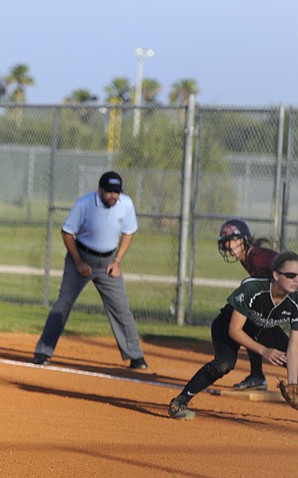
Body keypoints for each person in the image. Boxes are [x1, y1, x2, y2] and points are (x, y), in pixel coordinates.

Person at [32, 171, 148, 370]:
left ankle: (135, 356)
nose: (113, 196)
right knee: (63, 304)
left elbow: (129, 232)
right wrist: (78, 262)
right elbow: (67, 232)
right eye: (109, 192)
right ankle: (43, 351)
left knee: (121, 308)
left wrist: (117, 261)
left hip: (109, 262)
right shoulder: (84, 204)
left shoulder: (126, 204)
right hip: (81, 257)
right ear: (100, 190)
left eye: (116, 192)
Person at [169, 250, 298, 420]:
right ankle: (179, 402)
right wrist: (264, 351)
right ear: (275, 275)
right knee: (224, 364)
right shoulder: (252, 289)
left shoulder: (296, 300)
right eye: (291, 275)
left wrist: (293, 383)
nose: (296, 280)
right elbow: (235, 330)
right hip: (228, 326)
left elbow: (293, 348)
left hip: (263, 328)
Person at [217, 219, 278, 391]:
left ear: (245, 239)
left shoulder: (257, 257)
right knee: (251, 322)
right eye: (226, 242)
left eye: (234, 239)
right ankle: (257, 376)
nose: (230, 245)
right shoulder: (249, 258)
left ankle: (258, 375)